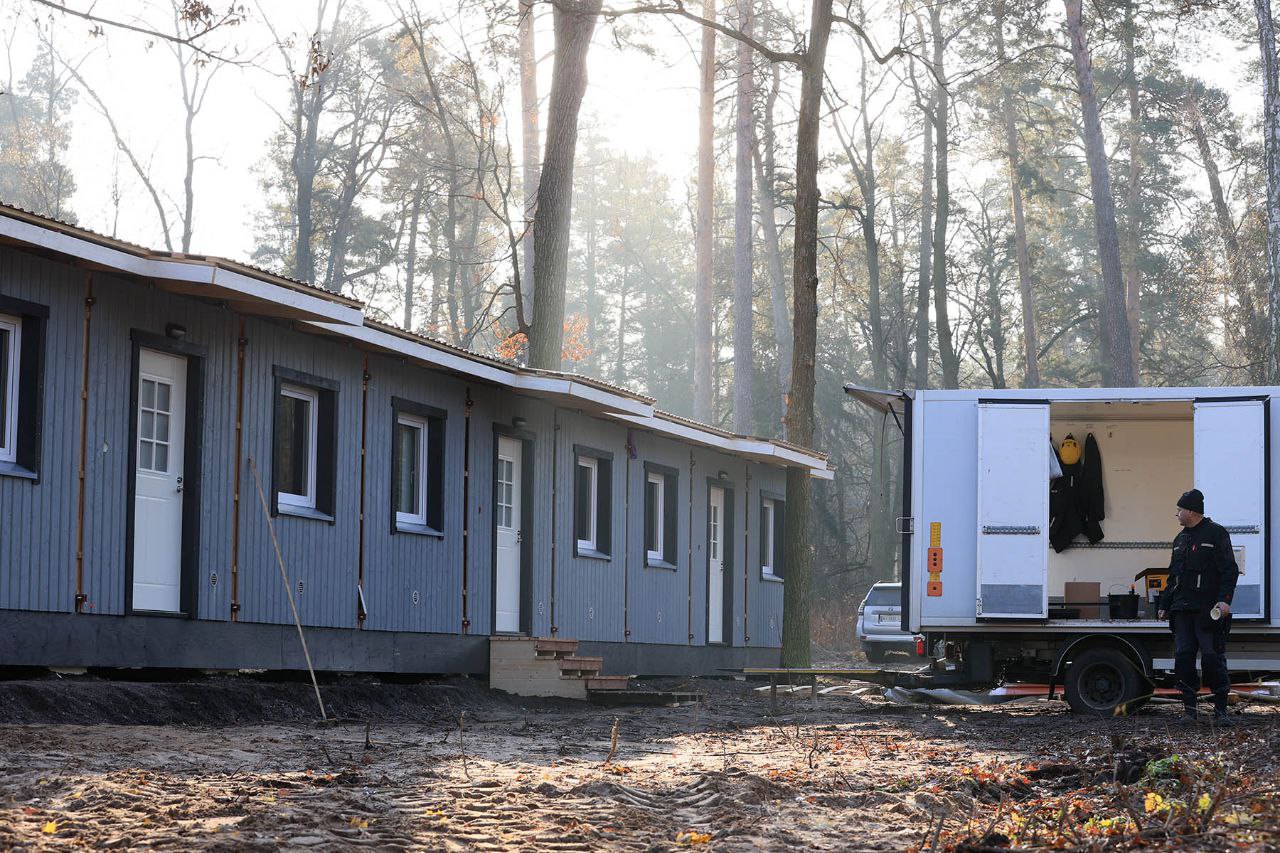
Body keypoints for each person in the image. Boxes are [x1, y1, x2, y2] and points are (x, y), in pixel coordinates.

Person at [1156, 488, 1239, 725]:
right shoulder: (1180, 539)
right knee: (1183, 658)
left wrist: (1225, 599)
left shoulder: (1216, 534)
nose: (1177, 514)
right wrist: (1164, 604)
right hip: (1182, 610)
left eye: (1179, 510)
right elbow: (1174, 576)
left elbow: (1229, 570)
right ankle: (1189, 712)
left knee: (1212, 659)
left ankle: (1220, 711)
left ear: (1191, 511)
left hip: (1207, 610)